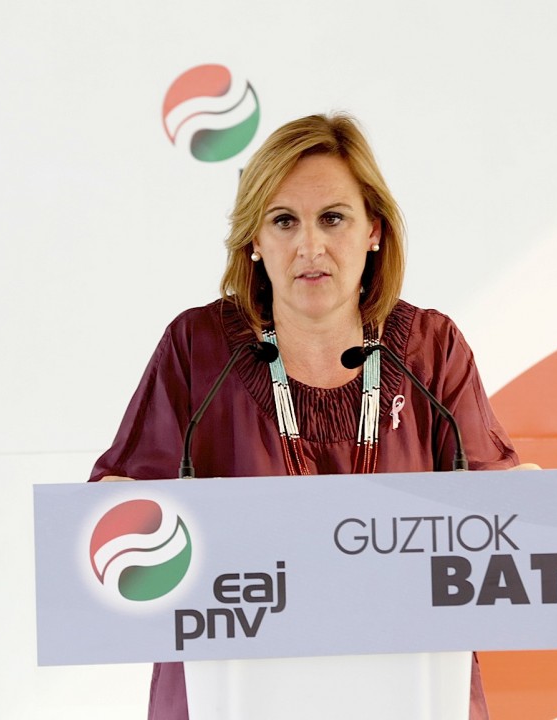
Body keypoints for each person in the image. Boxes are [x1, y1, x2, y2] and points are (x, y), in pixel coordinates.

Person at [91, 113, 523, 719]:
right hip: (231, 694)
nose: (310, 246)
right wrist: (115, 508)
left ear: (374, 230)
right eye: (284, 220)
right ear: (254, 239)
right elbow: (115, 517)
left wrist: (528, 507)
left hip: (409, 691)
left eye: (333, 218)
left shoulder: (431, 349)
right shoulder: (199, 350)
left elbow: (502, 521)